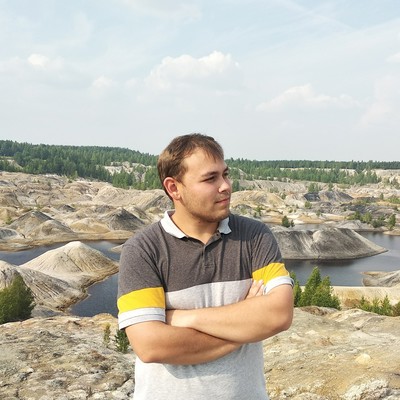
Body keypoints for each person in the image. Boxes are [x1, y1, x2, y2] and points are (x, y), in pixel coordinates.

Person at [117, 133, 294, 400]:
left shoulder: (254, 236)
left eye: (225, 174)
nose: (225, 186)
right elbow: (150, 345)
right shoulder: (143, 250)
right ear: (174, 188)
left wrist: (184, 318)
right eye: (210, 179)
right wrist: (246, 326)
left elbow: (279, 315)